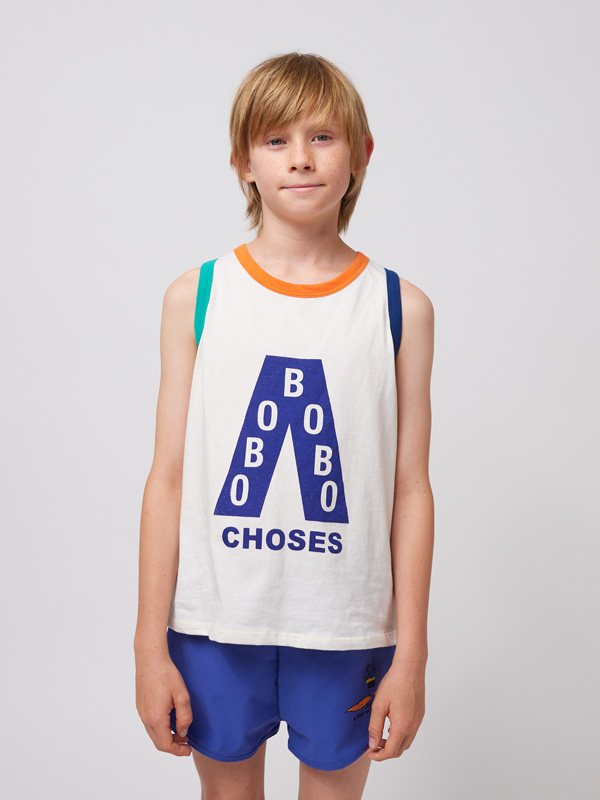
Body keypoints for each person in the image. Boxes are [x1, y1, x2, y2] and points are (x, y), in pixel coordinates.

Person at [134, 51, 435, 800]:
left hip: (346, 625)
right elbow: (168, 476)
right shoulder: (197, 296)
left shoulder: (399, 308)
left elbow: (410, 490)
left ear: (361, 154)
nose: (300, 158)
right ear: (243, 162)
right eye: (275, 140)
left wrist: (412, 655)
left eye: (322, 136)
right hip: (214, 620)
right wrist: (148, 643)